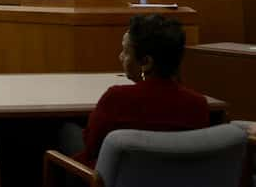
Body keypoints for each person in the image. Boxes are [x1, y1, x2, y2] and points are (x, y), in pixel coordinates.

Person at [72, 14, 210, 167]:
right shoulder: (198, 105)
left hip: (112, 180)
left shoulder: (116, 99)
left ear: (146, 62)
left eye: (125, 51)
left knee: (64, 131)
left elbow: (91, 148)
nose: (120, 57)